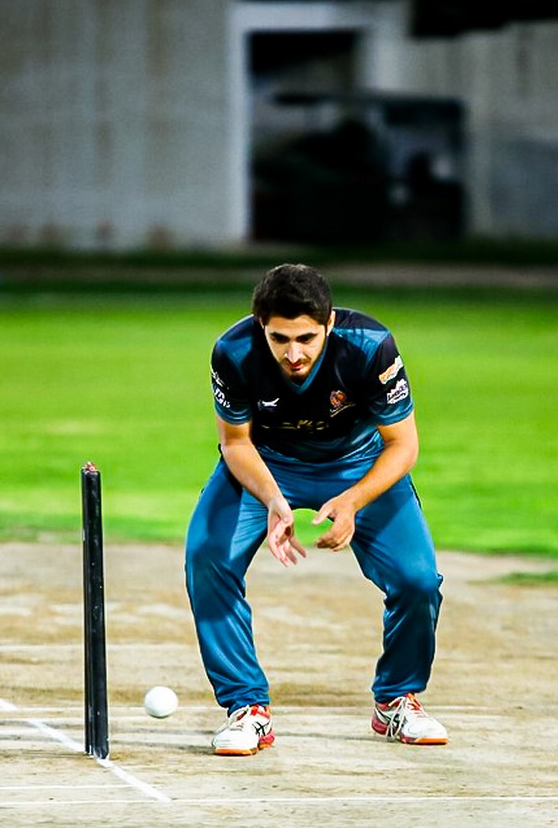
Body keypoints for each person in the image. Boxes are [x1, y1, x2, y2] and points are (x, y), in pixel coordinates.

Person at [184, 263, 446, 754]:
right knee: (207, 556)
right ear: (260, 326)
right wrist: (273, 500)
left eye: (306, 338)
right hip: (267, 464)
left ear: (329, 323)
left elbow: (403, 445)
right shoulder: (233, 352)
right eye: (279, 339)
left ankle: (396, 700)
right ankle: (246, 707)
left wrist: (354, 500)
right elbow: (235, 443)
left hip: (358, 464)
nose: (294, 354)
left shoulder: (370, 346)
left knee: (417, 580)